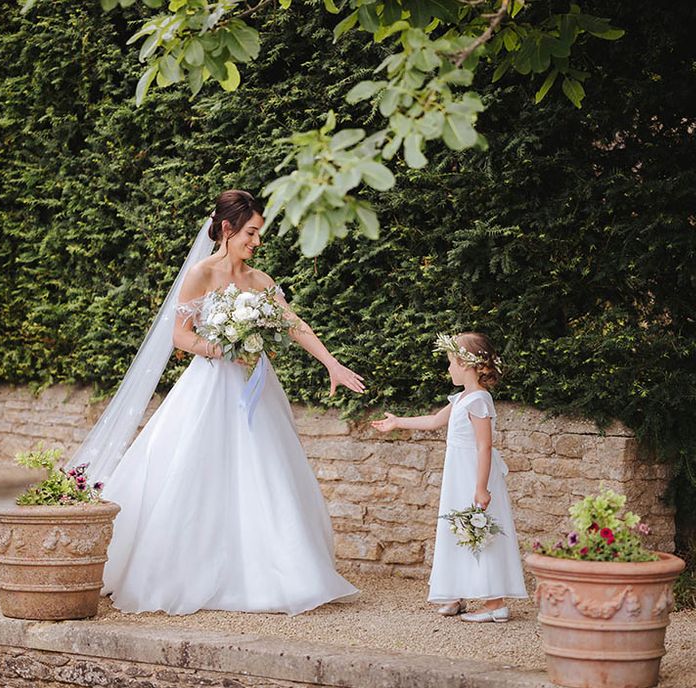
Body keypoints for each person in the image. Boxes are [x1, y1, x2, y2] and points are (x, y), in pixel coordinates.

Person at [99, 190, 363, 615]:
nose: (256, 242)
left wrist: (331, 363)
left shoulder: (259, 281)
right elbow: (180, 337)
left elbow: (293, 324)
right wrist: (221, 348)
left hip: (254, 389)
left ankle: (279, 571)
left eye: (259, 234)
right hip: (209, 388)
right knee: (195, 470)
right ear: (227, 229)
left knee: (267, 470)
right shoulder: (202, 274)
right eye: (251, 233)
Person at [371, 332, 526, 622]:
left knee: (480, 532)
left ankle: (496, 603)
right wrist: (396, 423)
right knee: (458, 531)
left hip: (473, 475)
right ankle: (456, 593)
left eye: (451, 363)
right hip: (459, 475)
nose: (448, 369)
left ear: (466, 364)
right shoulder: (462, 398)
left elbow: (485, 445)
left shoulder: (479, 400)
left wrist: (481, 487)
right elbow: (432, 422)